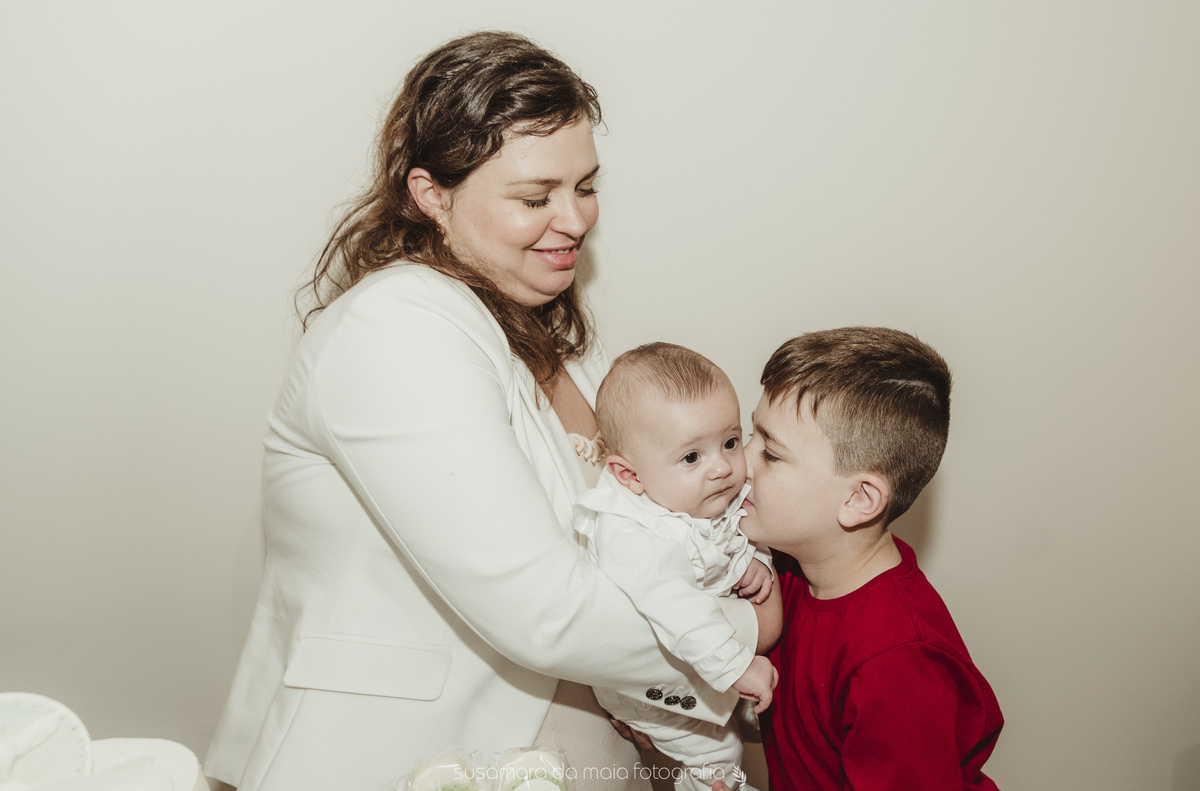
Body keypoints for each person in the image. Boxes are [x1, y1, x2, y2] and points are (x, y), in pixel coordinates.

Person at [203, 32, 759, 791]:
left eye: (586, 186)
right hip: (404, 759)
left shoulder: (555, 341)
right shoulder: (397, 325)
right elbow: (544, 610)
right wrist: (752, 628)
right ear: (432, 194)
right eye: (535, 198)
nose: (575, 219)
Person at [732, 327, 1004, 790]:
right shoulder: (785, 565)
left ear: (859, 499)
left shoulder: (898, 661)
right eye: (748, 434)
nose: (739, 461)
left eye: (771, 454)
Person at [574, 343, 781, 791]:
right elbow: (676, 605)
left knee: (772, 720)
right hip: (649, 679)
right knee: (720, 753)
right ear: (630, 476)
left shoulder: (697, 491)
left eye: (730, 442)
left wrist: (755, 559)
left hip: (707, 650)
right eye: (692, 457)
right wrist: (735, 667)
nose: (722, 468)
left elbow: (743, 526)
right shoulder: (630, 534)